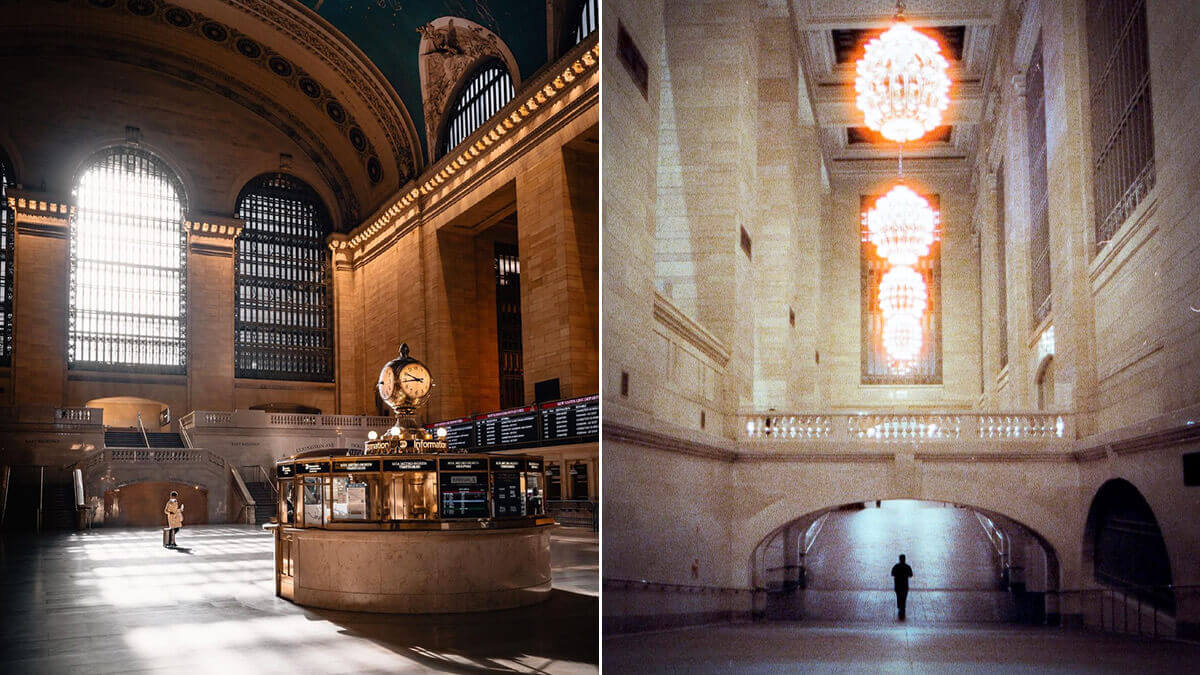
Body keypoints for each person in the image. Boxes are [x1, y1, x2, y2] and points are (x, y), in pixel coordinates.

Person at [891, 553, 914, 620]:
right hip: (905, 585)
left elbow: (892, 573)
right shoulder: (907, 566)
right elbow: (911, 575)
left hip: (897, 585)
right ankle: (903, 608)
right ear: (905, 559)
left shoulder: (896, 566)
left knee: (898, 597)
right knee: (904, 597)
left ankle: (899, 608)